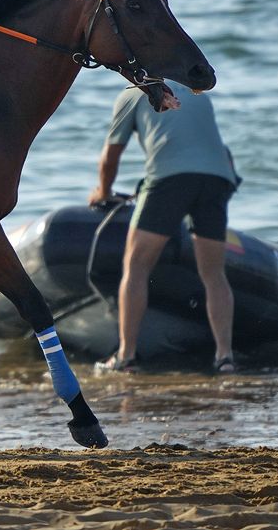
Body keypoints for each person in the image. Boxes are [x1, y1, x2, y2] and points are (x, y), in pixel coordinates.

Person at [91, 80, 241, 374]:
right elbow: (218, 149)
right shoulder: (196, 93)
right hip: (218, 177)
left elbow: (110, 156)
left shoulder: (133, 94)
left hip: (169, 180)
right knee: (213, 273)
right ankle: (225, 357)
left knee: (136, 267)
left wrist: (104, 193)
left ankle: (126, 356)